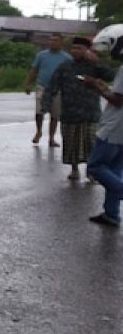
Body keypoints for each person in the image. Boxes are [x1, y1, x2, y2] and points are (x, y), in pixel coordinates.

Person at [42, 36, 114, 181]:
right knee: (71, 143)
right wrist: (45, 104)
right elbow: (52, 86)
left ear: (87, 50)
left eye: (79, 48)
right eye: (73, 48)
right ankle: (74, 169)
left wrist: (96, 61)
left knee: (91, 144)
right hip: (70, 113)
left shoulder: (95, 66)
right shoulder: (64, 66)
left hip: (90, 113)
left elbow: (112, 76)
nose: (75, 51)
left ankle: (91, 170)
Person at [86, 37, 123, 226]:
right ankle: (111, 213)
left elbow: (117, 100)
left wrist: (96, 87)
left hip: (115, 126)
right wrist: (103, 87)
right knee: (115, 169)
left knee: (95, 167)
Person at [23, 34, 72, 148]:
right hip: (42, 86)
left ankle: (51, 138)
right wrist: (27, 83)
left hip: (58, 88)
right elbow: (34, 70)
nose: (52, 42)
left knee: (55, 115)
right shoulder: (42, 55)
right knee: (39, 111)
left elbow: (70, 74)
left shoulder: (67, 58)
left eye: (55, 40)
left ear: (61, 43)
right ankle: (38, 131)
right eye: (51, 40)